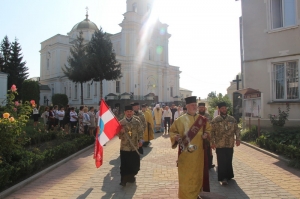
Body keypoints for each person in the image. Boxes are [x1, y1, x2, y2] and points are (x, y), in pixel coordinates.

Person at [169, 96, 211, 199]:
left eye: (195, 105)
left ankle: (197, 194)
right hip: (185, 155)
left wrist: (206, 134)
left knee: (197, 175)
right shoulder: (180, 120)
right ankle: (185, 196)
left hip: (199, 155)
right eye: (192, 105)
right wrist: (175, 137)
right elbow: (172, 131)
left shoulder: (202, 120)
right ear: (187, 106)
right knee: (186, 177)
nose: (194, 107)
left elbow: (209, 130)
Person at [210, 102, 241, 185]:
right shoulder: (215, 120)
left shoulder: (232, 119)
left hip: (230, 143)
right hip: (219, 144)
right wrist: (212, 143)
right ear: (219, 110)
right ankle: (223, 178)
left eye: (225, 108)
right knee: (221, 161)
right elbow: (211, 132)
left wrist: (238, 139)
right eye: (222, 108)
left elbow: (236, 129)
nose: (224, 110)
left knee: (229, 160)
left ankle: (229, 176)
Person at [118, 105, 144, 186]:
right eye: (127, 112)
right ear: (124, 113)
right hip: (124, 147)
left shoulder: (137, 121)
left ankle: (131, 177)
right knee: (124, 165)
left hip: (134, 147)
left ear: (132, 112)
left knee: (134, 165)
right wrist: (121, 132)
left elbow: (141, 132)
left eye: (130, 111)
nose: (129, 113)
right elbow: (119, 136)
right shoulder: (121, 123)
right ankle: (123, 180)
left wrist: (141, 141)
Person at [198, 103, 215, 169]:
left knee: (208, 150)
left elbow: (210, 125)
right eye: (200, 107)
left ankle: (209, 164)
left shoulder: (208, 116)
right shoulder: (195, 115)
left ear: (205, 108)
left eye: (202, 107)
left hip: (207, 135)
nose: (201, 108)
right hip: (198, 136)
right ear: (198, 108)